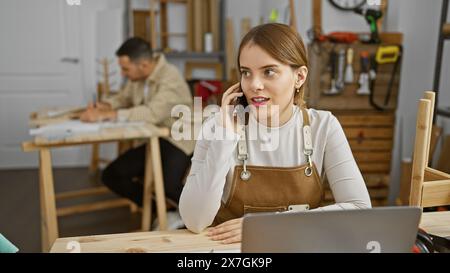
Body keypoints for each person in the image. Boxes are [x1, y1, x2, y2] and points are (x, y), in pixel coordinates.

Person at [179, 23, 371, 243]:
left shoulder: (324, 126)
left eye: (268, 72)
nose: (254, 85)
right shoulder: (217, 126)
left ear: (299, 77)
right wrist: (225, 137)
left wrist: (267, 225)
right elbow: (194, 220)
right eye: (246, 73)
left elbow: (359, 209)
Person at [80, 37, 194, 208]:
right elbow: (123, 98)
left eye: (125, 69)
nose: (122, 74)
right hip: (154, 138)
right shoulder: (139, 77)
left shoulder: (171, 78)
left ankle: (205, 219)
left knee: (168, 186)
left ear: (144, 65)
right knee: (112, 175)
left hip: (180, 139)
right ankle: (159, 212)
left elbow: (152, 114)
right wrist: (104, 105)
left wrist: (108, 115)